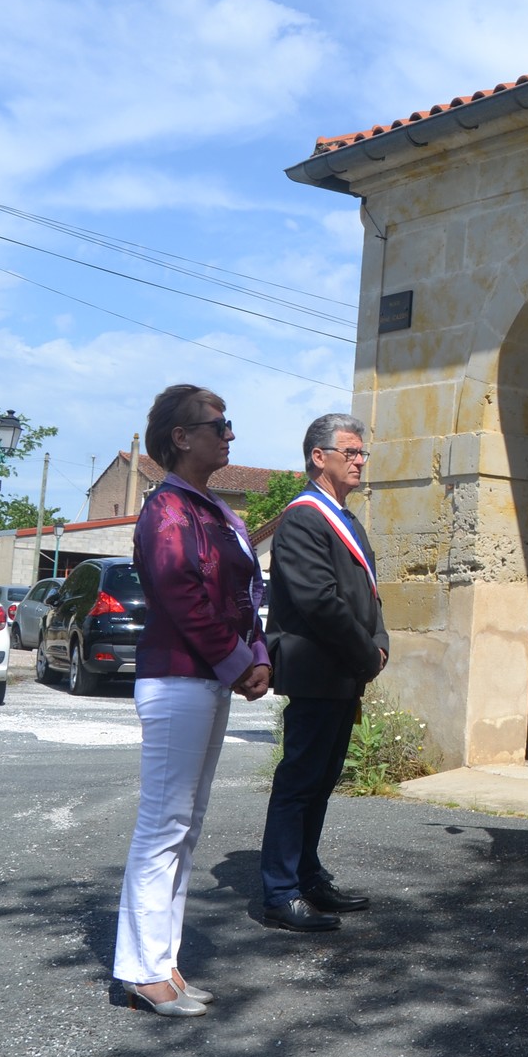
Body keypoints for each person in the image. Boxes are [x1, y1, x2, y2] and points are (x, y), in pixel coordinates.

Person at [113, 384, 271, 1016]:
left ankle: (164, 963)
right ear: (181, 438)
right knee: (163, 825)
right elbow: (182, 593)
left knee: (186, 825)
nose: (229, 434)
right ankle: (142, 969)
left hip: (204, 676)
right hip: (178, 677)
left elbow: (242, 596)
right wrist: (240, 662)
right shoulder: (168, 510)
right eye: (218, 424)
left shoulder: (209, 509)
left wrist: (256, 655)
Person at [257, 412, 389, 932]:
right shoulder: (304, 517)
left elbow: (365, 595)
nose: (360, 462)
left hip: (343, 670)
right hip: (316, 669)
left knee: (322, 781)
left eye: (362, 454)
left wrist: (378, 641)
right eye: (350, 453)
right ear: (319, 456)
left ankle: (308, 878)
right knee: (299, 781)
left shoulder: (345, 516)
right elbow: (319, 601)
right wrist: (365, 651)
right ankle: (280, 891)